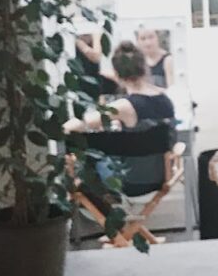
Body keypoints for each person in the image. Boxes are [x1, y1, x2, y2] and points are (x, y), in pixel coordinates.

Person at [64, 42, 176, 192]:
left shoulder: (125, 106)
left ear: (116, 74)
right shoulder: (164, 98)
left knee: (85, 152)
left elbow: (84, 123)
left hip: (132, 182)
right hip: (160, 176)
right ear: (145, 68)